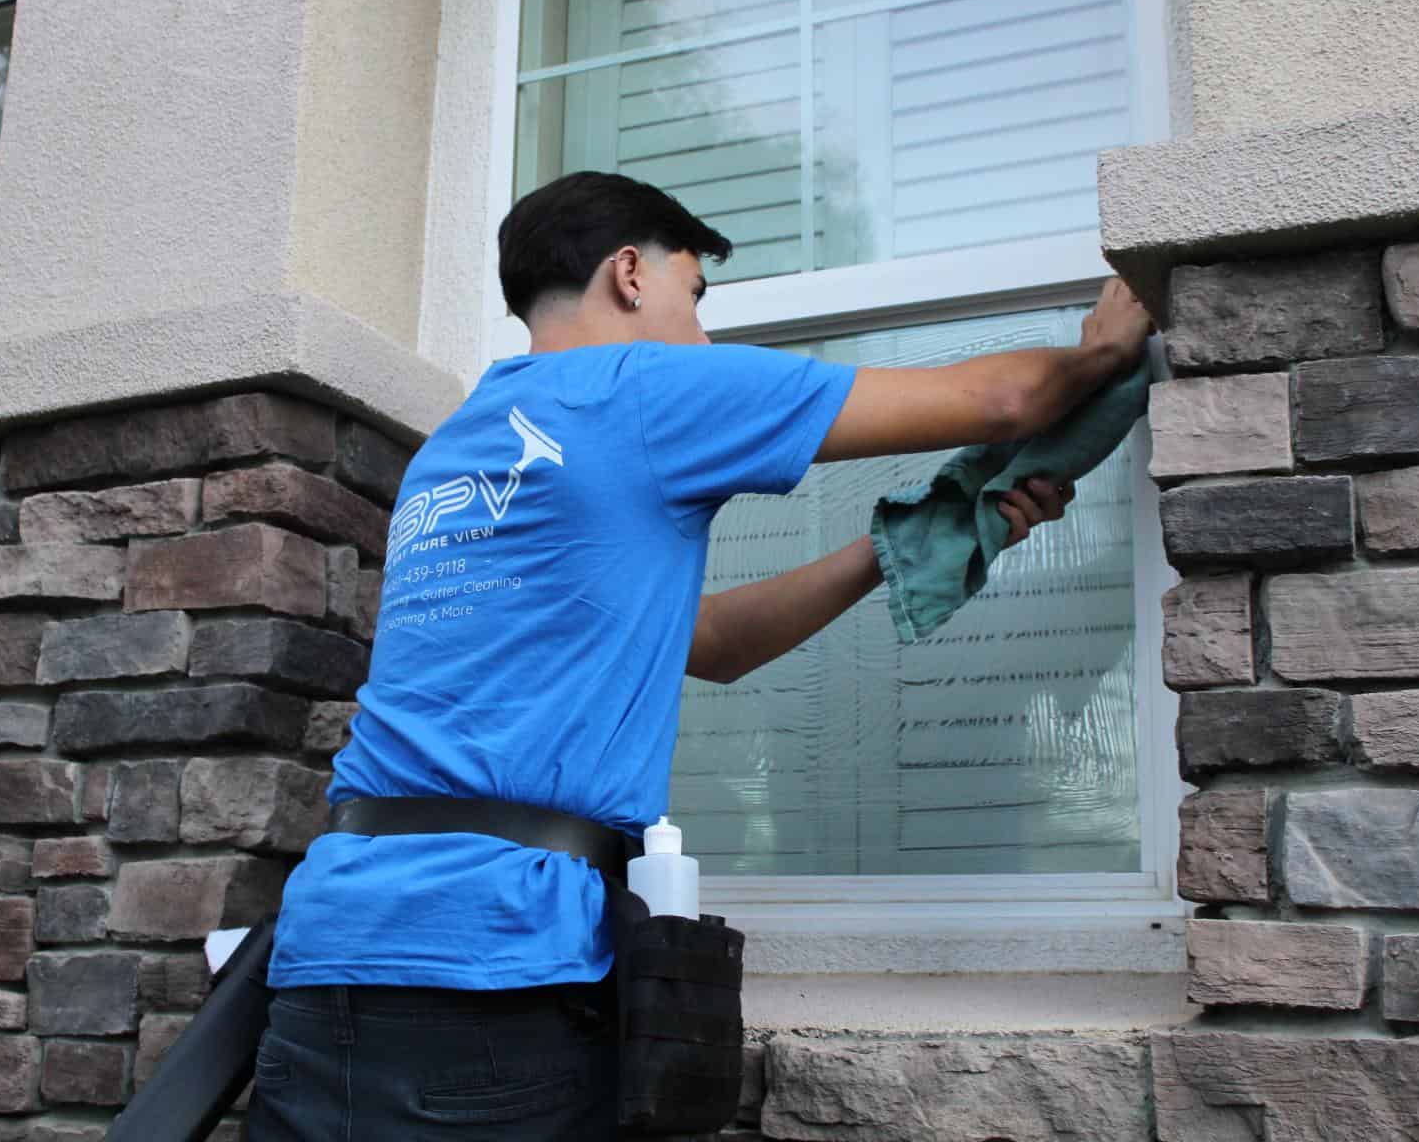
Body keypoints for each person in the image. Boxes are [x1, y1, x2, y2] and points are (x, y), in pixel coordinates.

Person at [246, 172, 1153, 1140]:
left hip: (319, 969)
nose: (705, 335)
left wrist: (891, 549)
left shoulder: (454, 450)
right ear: (629, 274)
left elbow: (707, 643)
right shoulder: (642, 390)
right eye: (695, 295)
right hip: (493, 981)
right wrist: (1098, 353)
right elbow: (1006, 399)